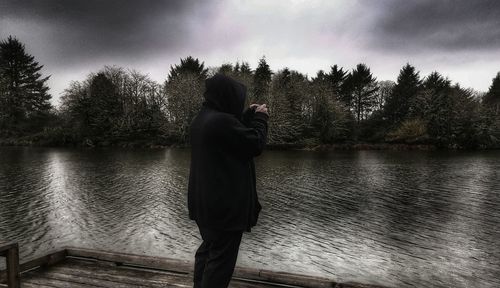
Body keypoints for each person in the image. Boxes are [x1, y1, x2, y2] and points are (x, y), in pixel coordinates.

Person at [187, 73, 269, 288]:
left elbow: (232, 135)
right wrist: (260, 118)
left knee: (208, 251)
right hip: (224, 209)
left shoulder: (202, 119)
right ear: (227, 96)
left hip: (205, 205)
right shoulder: (221, 122)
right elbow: (254, 144)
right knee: (221, 263)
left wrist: (246, 116)